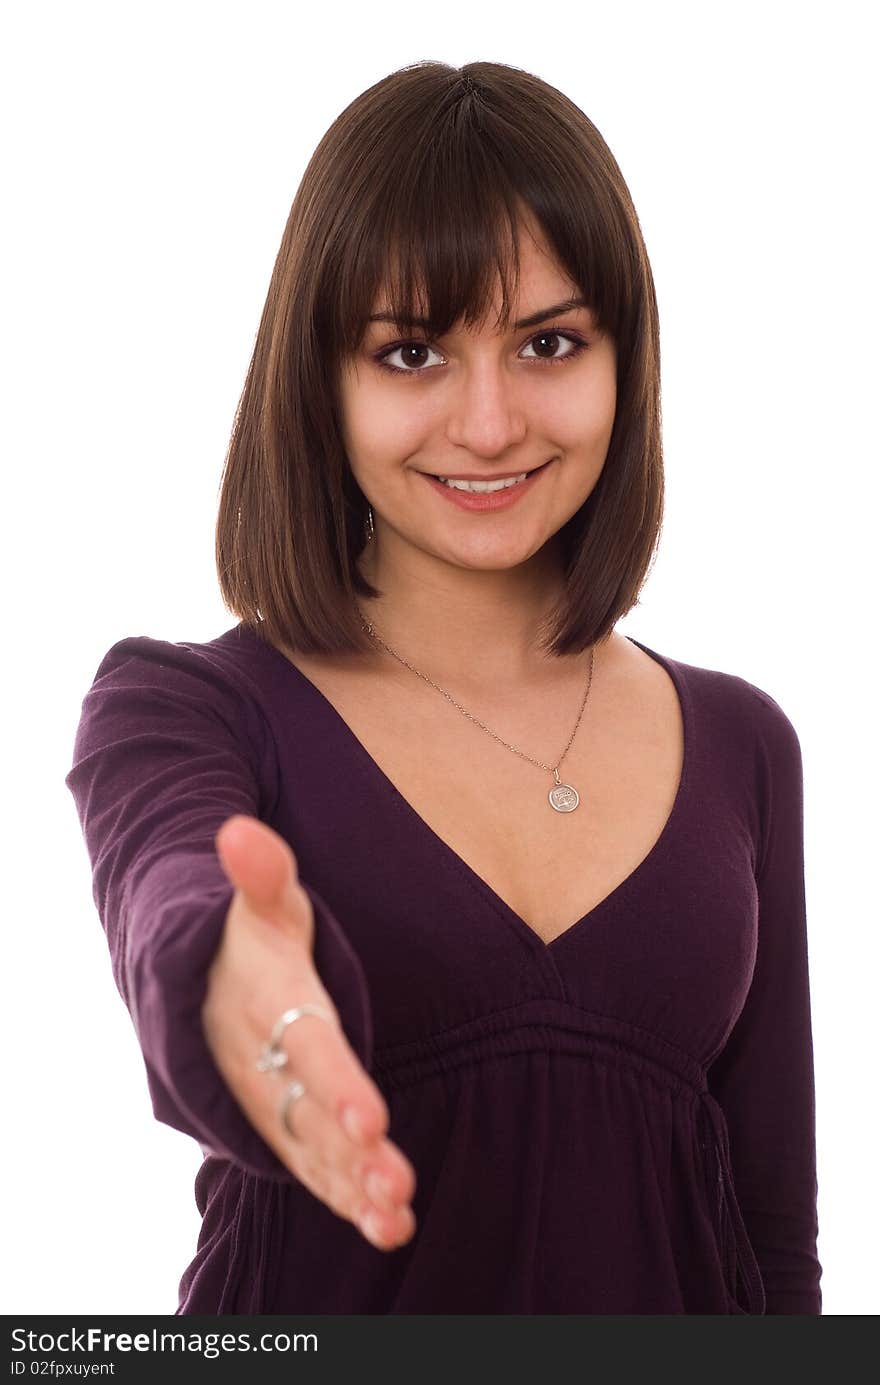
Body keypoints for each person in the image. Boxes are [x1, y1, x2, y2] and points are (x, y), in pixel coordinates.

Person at [64, 59, 822, 1315]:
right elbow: (171, 901)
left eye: (548, 343)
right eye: (411, 349)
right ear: (322, 380)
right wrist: (235, 982)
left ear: (623, 363)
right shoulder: (184, 706)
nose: (485, 422)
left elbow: (772, 1235)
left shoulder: (743, 742)